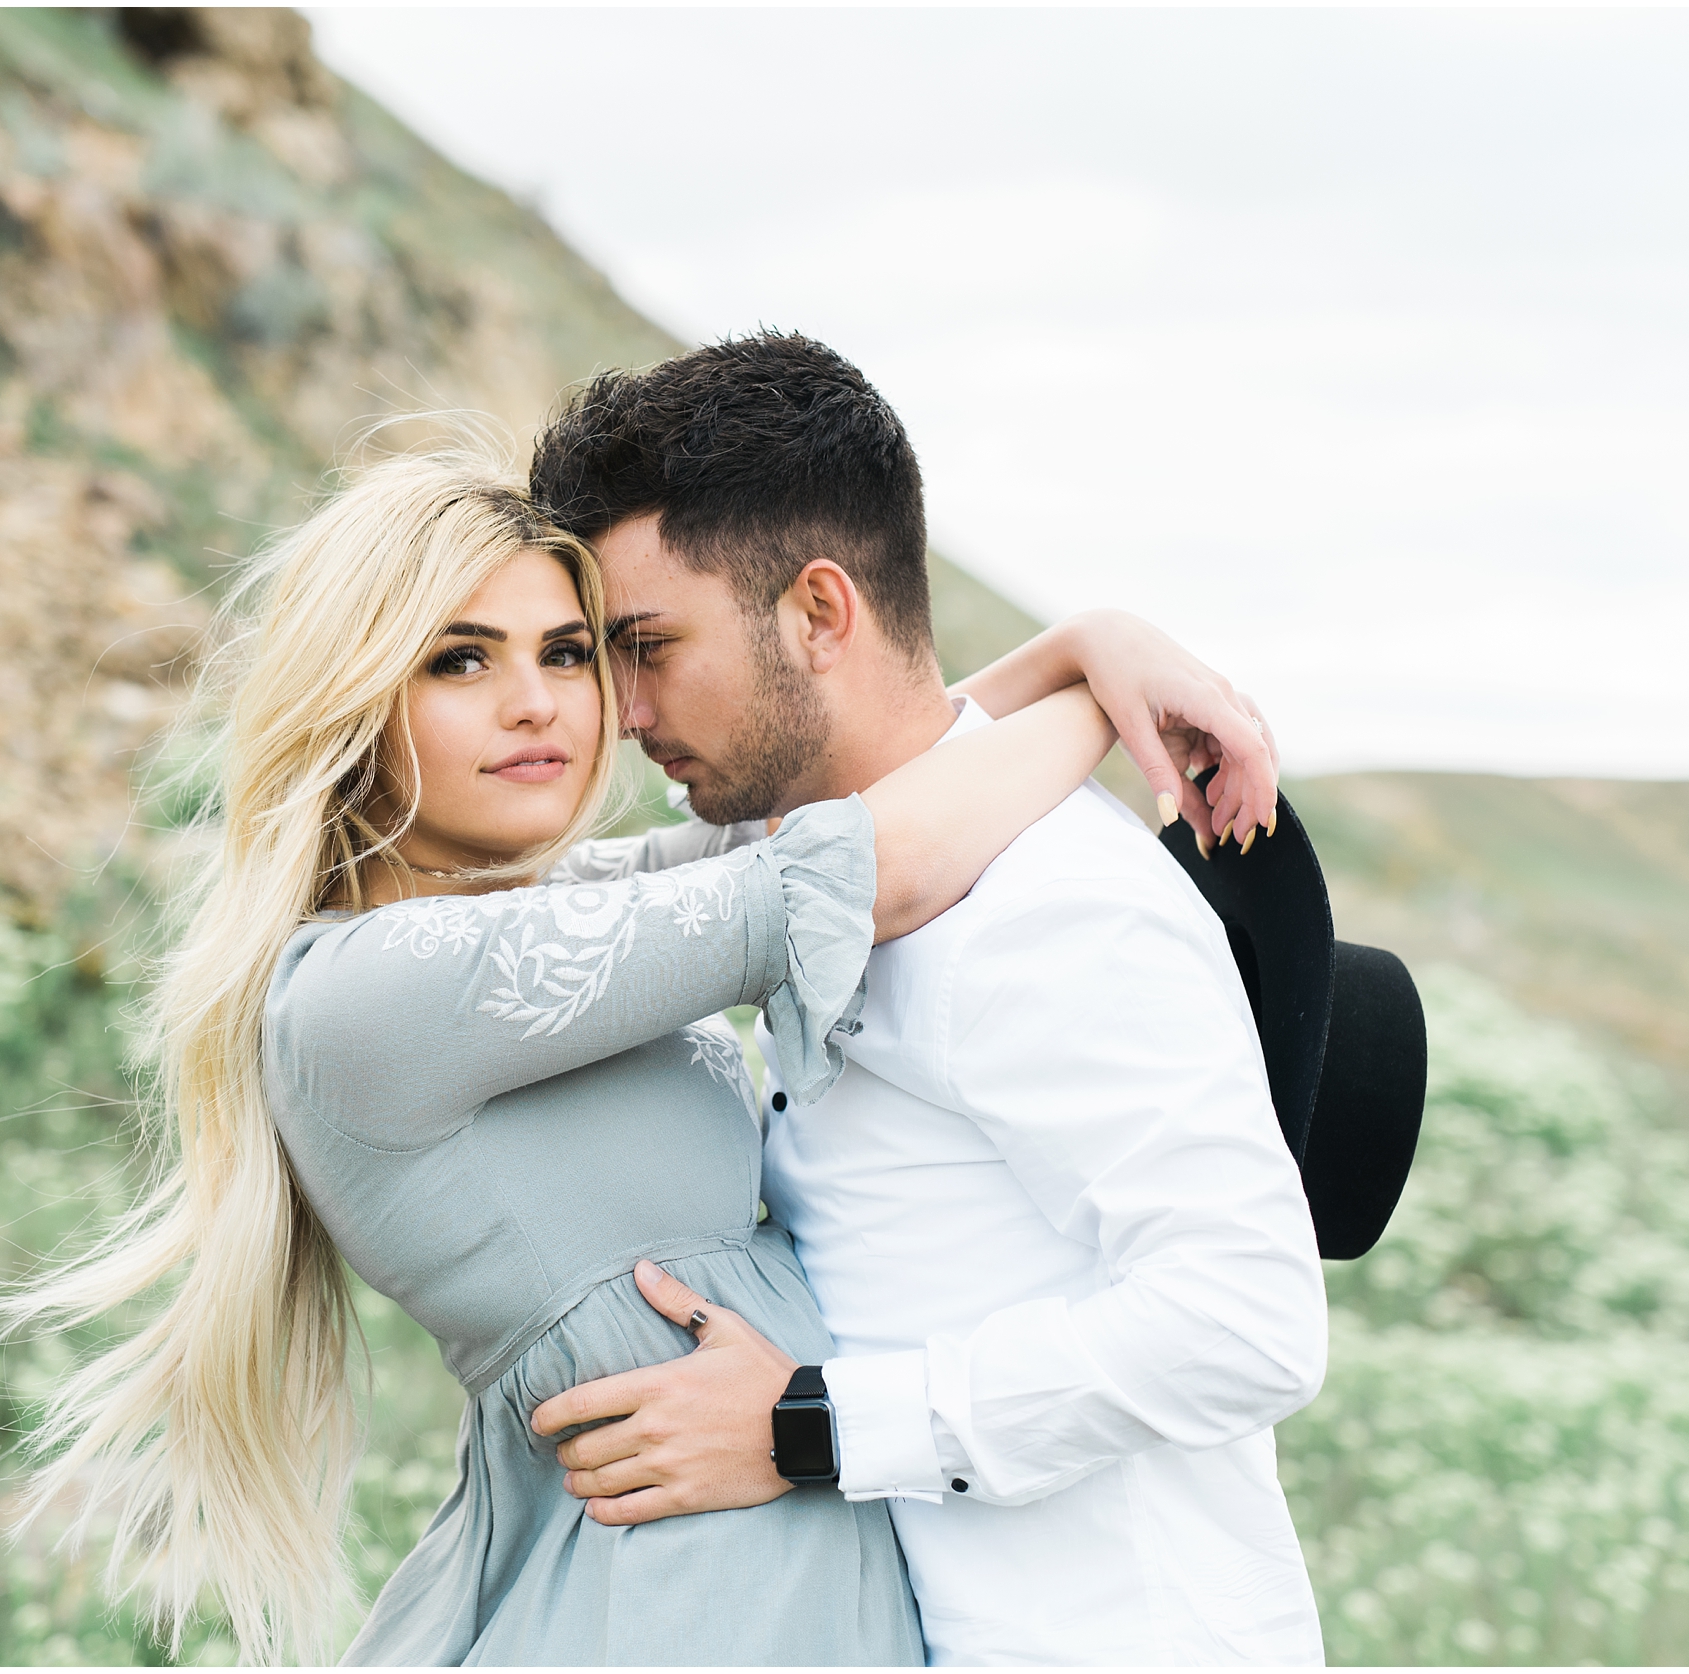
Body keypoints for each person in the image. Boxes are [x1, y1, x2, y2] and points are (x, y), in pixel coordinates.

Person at [0, 450, 1280, 1665]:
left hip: (773, 1550)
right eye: (458, 660)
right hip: (678, 1589)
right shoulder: (375, 991)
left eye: (572, 652)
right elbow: (861, 869)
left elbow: (848, 812)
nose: (537, 702)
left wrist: (1082, 651)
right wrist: (1101, 702)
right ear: (354, 698)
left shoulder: (537, 913)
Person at [525, 332, 1332, 1665]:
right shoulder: (790, 858)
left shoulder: (1055, 911)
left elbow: (1243, 1321)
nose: (621, 710)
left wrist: (806, 1423)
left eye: (649, 646)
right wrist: (1077, 653)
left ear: (821, 614)